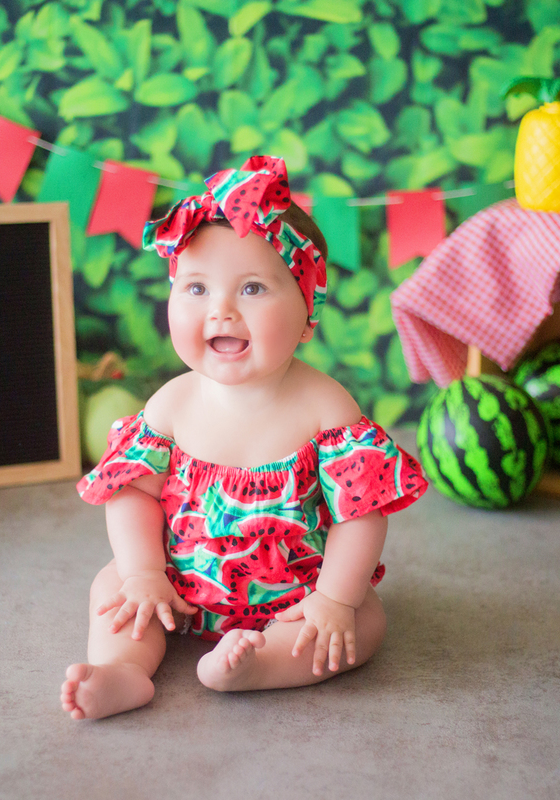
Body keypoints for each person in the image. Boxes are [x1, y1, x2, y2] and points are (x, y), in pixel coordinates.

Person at [61, 156, 428, 720]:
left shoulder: (326, 408)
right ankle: (122, 672)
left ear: (308, 314)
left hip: (295, 597)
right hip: (175, 588)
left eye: (253, 287)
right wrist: (142, 572)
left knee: (364, 620)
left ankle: (261, 665)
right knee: (111, 589)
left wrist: (333, 598)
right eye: (197, 288)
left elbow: (361, 514)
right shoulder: (173, 403)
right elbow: (132, 490)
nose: (221, 311)